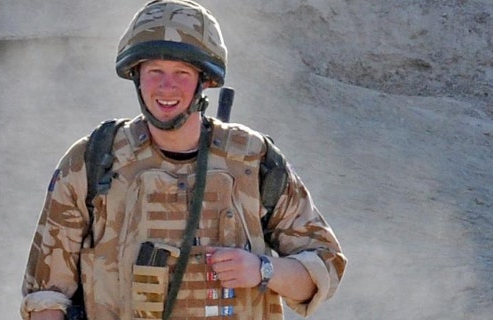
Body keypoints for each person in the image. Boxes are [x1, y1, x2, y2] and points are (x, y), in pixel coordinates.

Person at [20, 1, 346, 319]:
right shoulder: (93, 160)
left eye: (182, 72)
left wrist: (262, 269)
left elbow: (325, 266)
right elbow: (46, 294)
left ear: (204, 82)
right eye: (154, 71)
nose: (167, 86)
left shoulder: (253, 161)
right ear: (136, 76)